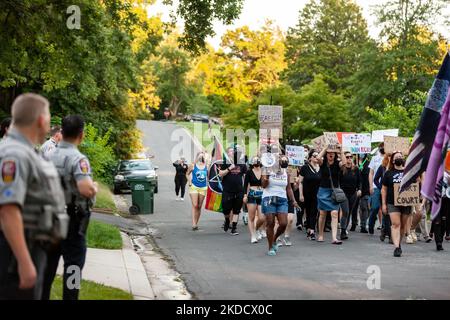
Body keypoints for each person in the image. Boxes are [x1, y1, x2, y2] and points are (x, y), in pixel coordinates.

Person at [0, 93, 68, 300]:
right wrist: (24, 261)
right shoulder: (15, 154)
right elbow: (8, 210)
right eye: (48, 119)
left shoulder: (26, 151)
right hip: (15, 254)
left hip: (28, 248)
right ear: (41, 120)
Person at [42, 115, 98, 300]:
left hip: (50, 219)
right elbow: (85, 189)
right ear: (81, 135)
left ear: (62, 132)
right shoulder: (78, 159)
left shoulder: (47, 155)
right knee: (73, 266)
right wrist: (94, 187)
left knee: (48, 266)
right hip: (72, 223)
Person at [261, 155, 299, 256]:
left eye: (284, 161)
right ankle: (270, 248)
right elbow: (263, 185)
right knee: (270, 222)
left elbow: (289, 188)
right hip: (269, 198)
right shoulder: (267, 169)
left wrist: (294, 201)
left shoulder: (286, 172)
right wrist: (267, 178)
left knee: (283, 223)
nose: (282, 162)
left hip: (282, 199)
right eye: (281, 160)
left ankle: (274, 239)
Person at [381, 151, 413, 257]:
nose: (399, 158)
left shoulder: (409, 172)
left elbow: (416, 183)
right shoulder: (388, 173)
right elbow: (384, 189)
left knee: (402, 226)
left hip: (406, 202)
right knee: (395, 224)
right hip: (392, 202)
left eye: (401, 156)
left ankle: (399, 242)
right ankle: (396, 247)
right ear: (393, 160)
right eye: (397, 157)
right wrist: (384, 204)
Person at [316, 145, 346, 244]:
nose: (331, 154)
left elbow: (345, 163)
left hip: (334, 191)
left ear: (335, 154)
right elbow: (317, 158)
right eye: (329, 153)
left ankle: (334, 238)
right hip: (323, 190)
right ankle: (320, 234)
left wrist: (341, 151)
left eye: (332, 153)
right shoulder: (323, 163)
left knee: (334, 213)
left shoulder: (338, 163)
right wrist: (324, 148)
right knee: (323, 213)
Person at [219, 145, 247, 236]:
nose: (232, 152)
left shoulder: (241, 163)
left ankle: (234, 228)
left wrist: (246, 190)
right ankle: (227, 220)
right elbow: (220, 174)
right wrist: (229, 168)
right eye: (230, 151)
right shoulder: (225, 163)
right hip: (227, 190)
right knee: (226, 210)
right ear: (227, 153)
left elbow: (245, 176)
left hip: (239, 190)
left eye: (233, 151)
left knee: (236, 210)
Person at [299, 149, 321, 240]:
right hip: (307, 193)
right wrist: (301, 194)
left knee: (314, 212)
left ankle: (312, 230)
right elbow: (300, 182)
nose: (316, 157)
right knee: (308, 211)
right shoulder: (305, 167)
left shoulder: (321, 167)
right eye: (314, 156)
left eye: (318, 156)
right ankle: (308, 228)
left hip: (318, 193)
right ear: (310, 158)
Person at [339, 152, 361, 240]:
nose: (349, 158)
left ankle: (344, 228)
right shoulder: (341, 169)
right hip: (343, 193)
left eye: (350, 157)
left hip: (353, 194)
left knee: (349, 213)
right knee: (345, 211)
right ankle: (343, 231)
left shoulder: (356, 169)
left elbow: (360, 181)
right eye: (347, 157)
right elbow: (338, 180)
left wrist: (359, 189)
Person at [243, 156, 265, 243]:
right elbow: (245, 185)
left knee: (262, 217)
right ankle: (253, 235)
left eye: (258, 160)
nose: (256, 162)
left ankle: (256, 229)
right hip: (252, 194)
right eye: (254, 160)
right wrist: (245, 195)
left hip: (262, 194)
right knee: (251, 217)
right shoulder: (249, 172)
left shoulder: (264, 171)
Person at [187, 152, 208, 231]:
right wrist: (189, 182)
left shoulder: (206, 166)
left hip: (203, 188)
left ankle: (196, 223)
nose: (201, 157)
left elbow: (208, 178)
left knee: (199, 206)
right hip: (194, 187)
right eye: (200, 155)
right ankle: (193, 224)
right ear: (197, 157)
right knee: (195, 205)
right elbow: (187, 174)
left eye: (202, 156)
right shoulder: (193, 166)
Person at [368, 143, 386, 234]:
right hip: (376, 187)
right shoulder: (374, 159)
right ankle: (371, 225)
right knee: (375, 207)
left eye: (384, 146)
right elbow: (371, 173)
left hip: (386, 187)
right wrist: (371, 186)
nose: (382, 148)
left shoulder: (389, 158)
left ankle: (384, 228)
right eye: (381, 147)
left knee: (385, 209)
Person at [375, 154, 391, 243]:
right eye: (388, 156)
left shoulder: (397, 168)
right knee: (386, 213)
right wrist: (381, 187)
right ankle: (389, 234)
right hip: (384, 193)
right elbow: (376, 179)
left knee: (391, 214)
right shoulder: (382, 167)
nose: (390, 158)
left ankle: (385, 231)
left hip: (393, 194)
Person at [359, 155, 371, 233]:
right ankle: (353, 224)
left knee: (365, 208)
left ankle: (363, 225)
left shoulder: (368, 164)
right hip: (354, 189)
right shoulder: (353, 162)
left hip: (365, 189)